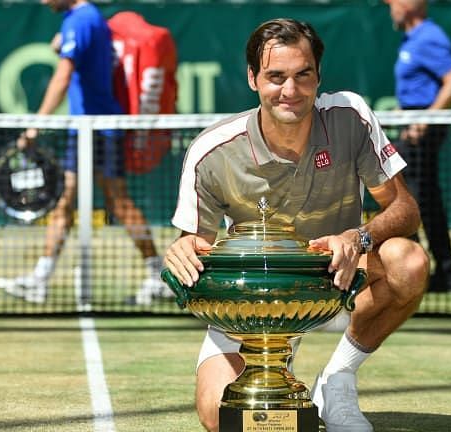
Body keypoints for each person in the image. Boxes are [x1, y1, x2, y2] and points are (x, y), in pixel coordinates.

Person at [163, 18, 429, 432]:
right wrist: (183, 249)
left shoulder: (350, 116)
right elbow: (196, 244)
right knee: (222, 417)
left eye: (303, 75)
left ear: (318, 76)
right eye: (276, 77)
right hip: (252, 302)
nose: (291, 90)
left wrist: (356, 238)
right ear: (253, 78)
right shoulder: (210, 152)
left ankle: (337, 379)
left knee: (407, 262)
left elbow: (405, 209)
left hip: (335, 281)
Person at [0, 0, 169, 305]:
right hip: (86, 129)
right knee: (64, 201)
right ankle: (40, 279)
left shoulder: (81, 19)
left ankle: (158, 275)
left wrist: (36, 126)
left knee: (118, 202)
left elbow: (63, 76)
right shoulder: (85, 19)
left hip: (98, 129)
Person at [385, 0, 451, 293]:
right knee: (426, 201)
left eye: (393, 3)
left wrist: (424, 121)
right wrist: (400, 114)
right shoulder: (411, 39)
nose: (389, 8)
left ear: (408, 4)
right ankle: (445, 273)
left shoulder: (429, 36)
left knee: (407, 201)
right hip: (414, 125)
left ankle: (419, 270)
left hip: (424, 133)